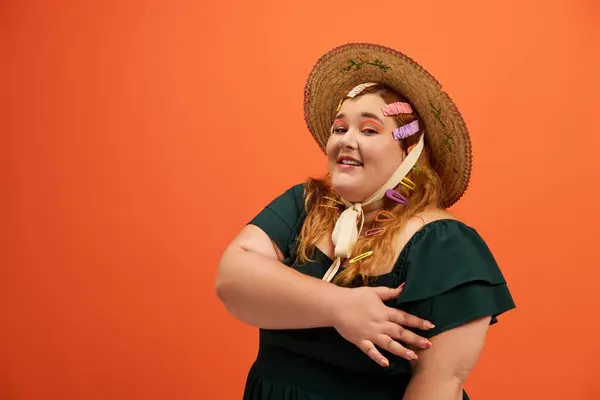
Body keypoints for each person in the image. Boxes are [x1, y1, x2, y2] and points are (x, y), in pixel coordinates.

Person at [216, 42, 516, 400]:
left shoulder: (443, 245)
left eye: (369, 130)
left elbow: (438, 385)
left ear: (410, 152)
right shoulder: (307, 203)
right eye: (340, 129)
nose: (346, 140)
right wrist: (339, 307)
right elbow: (232, 279)